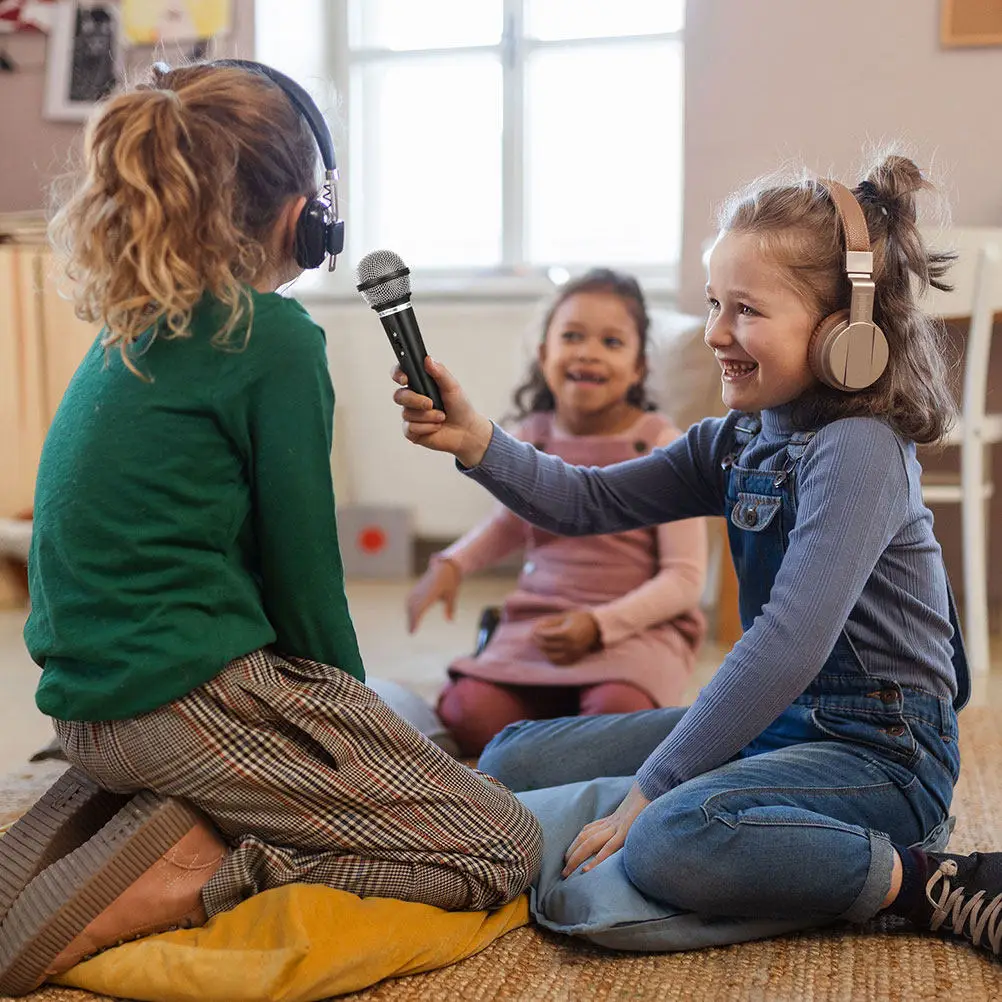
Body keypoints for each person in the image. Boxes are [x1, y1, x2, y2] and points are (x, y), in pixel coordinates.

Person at [0, 60, 540, 997]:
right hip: (185, 702)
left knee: (416, 773)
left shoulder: (130, 324)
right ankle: (211, 861)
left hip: (87, 707)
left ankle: (143, 812)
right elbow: (305, 579)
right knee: (503, 841)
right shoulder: (275, 339)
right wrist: (357, 729)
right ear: (306, 213)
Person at [393, 155, 1002, 959]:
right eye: (715, 303)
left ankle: (928, 879)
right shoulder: (737, 437)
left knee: (670, 835)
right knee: (513, 753)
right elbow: (587, 502)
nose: (715, 332)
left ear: (846, 330)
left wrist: (655, 787)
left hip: (882, 754)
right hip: (781, 724)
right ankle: (747, 814)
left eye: (745, 310)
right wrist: (478, 441)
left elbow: (787, 643)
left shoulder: (859, 449)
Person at [407, 269, 707, 757]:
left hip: (634, 633)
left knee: (616, 715)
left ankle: (568, 725)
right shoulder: (534, 435)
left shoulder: (660, 444)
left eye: (611, 341)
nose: (588, 352)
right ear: (544, 354)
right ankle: (553, 720)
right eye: (572, 336)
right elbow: (508, 523)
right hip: (542, 622)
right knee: (467, 715)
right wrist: (453, 563)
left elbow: (684, 580)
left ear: (638, 368)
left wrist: (599, 626)